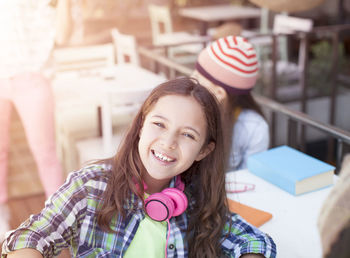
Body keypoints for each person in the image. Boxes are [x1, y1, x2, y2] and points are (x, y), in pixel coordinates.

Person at [2, 78, 276, 257]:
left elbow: (254, 240)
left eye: (188, 135)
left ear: (204, 150)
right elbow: (31, 235)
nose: (168, 143)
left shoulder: (198, 199)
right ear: (141, 124)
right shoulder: (90, 187)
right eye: (159, 124)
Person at [0, 0, 64, 241]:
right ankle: (0, 209)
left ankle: (59, 217)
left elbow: (63, 29)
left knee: (46, 152)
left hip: (33, 74)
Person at [192, 35, 270, 171]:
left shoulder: (254, 128)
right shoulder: (183, 107)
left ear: (219, 93)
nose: (190, 79)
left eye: (197, 77)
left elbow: (249, 180)